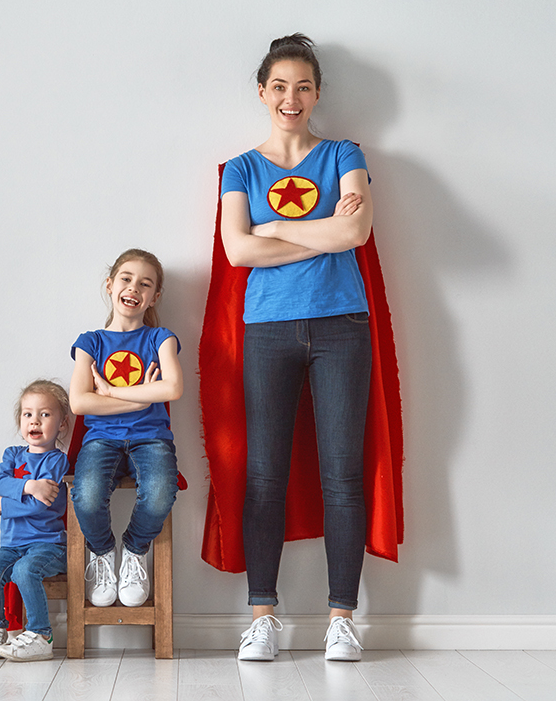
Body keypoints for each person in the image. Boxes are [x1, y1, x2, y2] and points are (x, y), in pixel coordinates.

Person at [219, 34, 374, 662]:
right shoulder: (242, 168)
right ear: (263, 92)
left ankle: (341, 618)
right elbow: (237, 251)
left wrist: (276, 225)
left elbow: (357, 230)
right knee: (264, 475)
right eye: (279, 86)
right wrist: (324, 232)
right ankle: (263, 616)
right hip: (269, 329)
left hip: (342, 325)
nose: (291, 98)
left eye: (303, 86)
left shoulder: (344, 152)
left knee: (342, 474)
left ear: (317, 93)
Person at [69, 248, 183, 609]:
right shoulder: (91, 342)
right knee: (86, 496)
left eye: (145, 283)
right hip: (101, 438)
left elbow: (173, 389)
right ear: (110, 285)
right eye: (126, 278)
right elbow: (80, 403)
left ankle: (134, 550)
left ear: (154, 296)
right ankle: (102, 553)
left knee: (162, 491)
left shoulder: (160, 338)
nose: (134, 288)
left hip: (151, 438)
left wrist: (113, 391)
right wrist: (140, 398)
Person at [0, 379, 71, 662]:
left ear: (62, 424)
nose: (35, 421)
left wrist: (3, 506)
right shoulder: (12, 455)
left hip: (48, 545)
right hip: (12, 545)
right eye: (28, 414)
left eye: (45, 414)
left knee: (24, 571)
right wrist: (29, 487)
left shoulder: (57, 461)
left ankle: (41, 635)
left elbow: (40, 509)